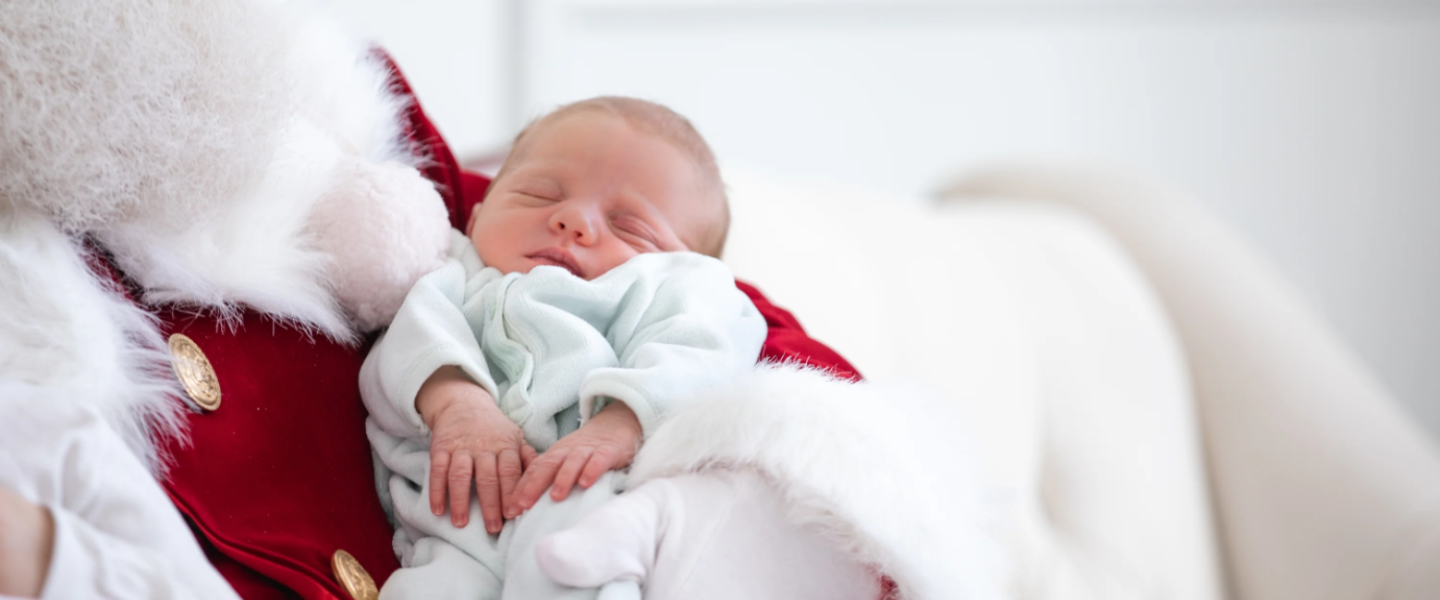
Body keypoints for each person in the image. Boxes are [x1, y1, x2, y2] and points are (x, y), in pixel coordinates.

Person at [361, 97, 769, 598]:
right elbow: (409, 338)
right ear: (477, 216)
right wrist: (458, 403)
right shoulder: (455, 271)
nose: (573, 221)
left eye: (630, 227)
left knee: (579, 570)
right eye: (536, 195)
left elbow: (707, 346)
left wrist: (625, 420)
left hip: (595, 495)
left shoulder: (679, 290)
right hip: (456, 522)